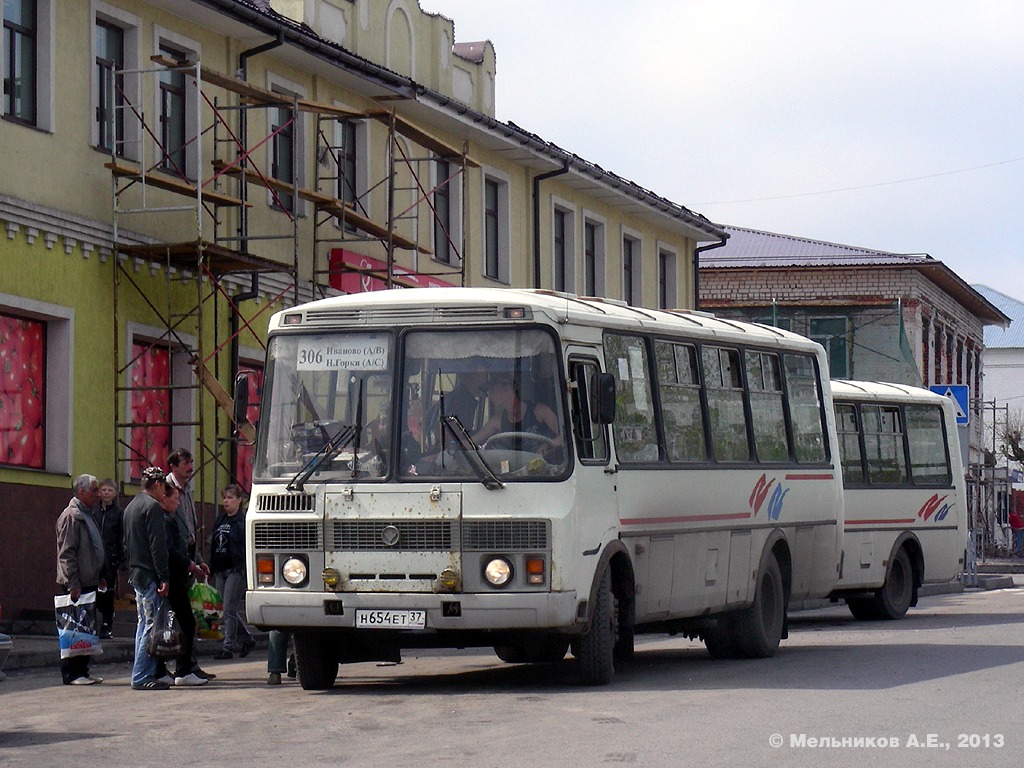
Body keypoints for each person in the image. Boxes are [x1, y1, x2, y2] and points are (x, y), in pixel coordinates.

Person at [166, 448, 214, 680]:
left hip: (189, 559)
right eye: (185, 462)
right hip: (176, 563)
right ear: (173, 466)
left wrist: (200, 560)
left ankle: (190, 664)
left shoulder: (187, 491)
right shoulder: (167, 489)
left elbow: (191, 529)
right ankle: (179, 666)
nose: (190, 466)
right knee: (179, 618)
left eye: (191, 462)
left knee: (191, 615)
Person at [122, 467, 171, 691]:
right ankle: (141, 675)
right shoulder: (152, 507)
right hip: (150, 575)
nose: (165, 491)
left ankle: (142, 671)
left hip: (136, 573)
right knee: (151, 626)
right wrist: (164, 577)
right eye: (164, 486)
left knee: (143, 624)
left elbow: (126, 544)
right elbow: (157, 546)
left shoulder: (131, 506)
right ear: (157, 484)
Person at [55, 474, 106, 685]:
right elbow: (67, 553)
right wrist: (72, 583)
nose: (98, 494)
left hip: (90, 580)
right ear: (81, 491)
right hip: (76, 584)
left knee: (87, 628)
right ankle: (72, 673)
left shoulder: (87, 514)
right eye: (94, 490)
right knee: (73, 627)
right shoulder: (71, 516)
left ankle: (82, 671)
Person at [159, 483, 208, 686]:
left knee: (177, 623)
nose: (178, 503)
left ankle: (173, 668)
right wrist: (189, 564)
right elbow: (171, 550)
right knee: (185, 622)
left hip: (175, 576)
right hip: (174, 577)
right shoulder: (165, 521)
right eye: (175, 499)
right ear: (164, 498)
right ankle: (183, 669)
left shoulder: (168, 518)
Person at [210, 484, 255, 660]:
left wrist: (244, 568)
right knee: (225, 609)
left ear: (239, 500)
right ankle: (246, 638)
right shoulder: (221, 520)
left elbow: (246, 547)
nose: (226, 501)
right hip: (220, 569)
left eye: (230, 497)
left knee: (229, 608)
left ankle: (227, 647)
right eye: (224, 498)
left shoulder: (243, 521)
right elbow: (215, 544)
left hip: (236, 570)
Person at [474, 378, 563, 459]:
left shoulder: (540, 411)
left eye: (493, 391)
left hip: (549, 472)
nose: (489, 397)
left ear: (508, 389)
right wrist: (461, 447)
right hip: (518, 473)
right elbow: (473, 441)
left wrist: (549, 445)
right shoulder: (497, 421)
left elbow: (564, 436)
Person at [92, 478, 124, 639]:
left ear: (115, 494)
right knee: (92, 591)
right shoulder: (94, 511)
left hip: (110, 559)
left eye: (109, 490)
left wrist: (120, 559)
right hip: (93, 559)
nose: (106, 493)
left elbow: (120, 537)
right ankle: (92, 624)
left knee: (107, 593)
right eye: (103, 490)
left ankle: (107, 625)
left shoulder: (118, 514)